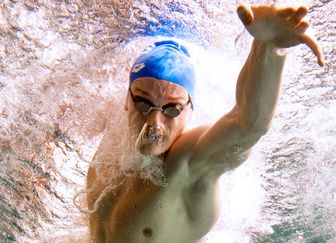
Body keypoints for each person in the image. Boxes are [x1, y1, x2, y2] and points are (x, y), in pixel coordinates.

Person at [86, 3, 325, 243]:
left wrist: (269, 48)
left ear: (189, 111)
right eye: (143, 104)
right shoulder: (118, 137)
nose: (154, 123)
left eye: (172, 109)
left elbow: (248, 125)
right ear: (127, 100)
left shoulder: (189, 162)